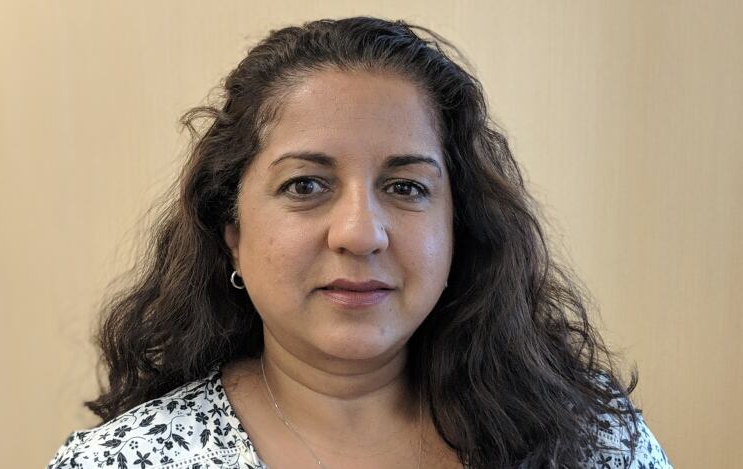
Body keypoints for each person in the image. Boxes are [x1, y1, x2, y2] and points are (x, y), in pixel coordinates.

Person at [47, 16, 673, 469]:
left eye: (405, 187)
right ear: (231, 233)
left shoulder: (595, 440)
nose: (359, 233)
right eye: (306, 184)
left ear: (461, 227)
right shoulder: (126, 461)